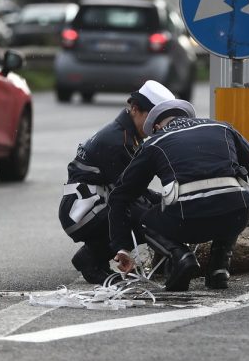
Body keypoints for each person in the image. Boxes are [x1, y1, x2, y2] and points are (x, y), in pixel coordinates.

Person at [108, 99, 249, 291]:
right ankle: (219, 268)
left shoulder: (155, 141)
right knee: (230, 199)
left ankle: (181, 256)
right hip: (236, 216)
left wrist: (122, 247)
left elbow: (122, 194)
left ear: (158, 126)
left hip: (187, 221)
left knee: (144, 217)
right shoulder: (223, 128)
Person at [58, 80, 176, 284]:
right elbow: (129, 193)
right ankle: (90, 260)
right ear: (135, 110)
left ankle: (96, 255)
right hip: (80, 212)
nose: (158, 125)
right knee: (143, 216)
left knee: (148, 208)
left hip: (88, 206)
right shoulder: (118, 141)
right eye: (154, 117)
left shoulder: (126, 134)